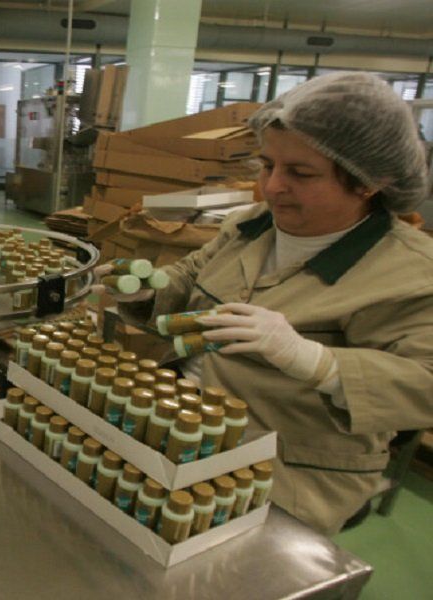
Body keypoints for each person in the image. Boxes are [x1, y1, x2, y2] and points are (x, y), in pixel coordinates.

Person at [95, 72, 433, 535]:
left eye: (301, 173)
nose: (272, 187)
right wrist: (149, 291)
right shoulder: (252, 226)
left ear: (370, 182)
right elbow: (190, 276)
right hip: (183, 424)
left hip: (287, 466)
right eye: (267, 164)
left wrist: (318, 363)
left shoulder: (411, 273)